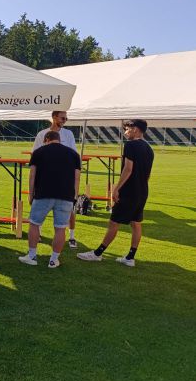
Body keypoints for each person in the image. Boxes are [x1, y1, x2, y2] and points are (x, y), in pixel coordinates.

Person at [77, 119, 154, 267]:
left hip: (129, 190)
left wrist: (117, 188)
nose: (125, 132)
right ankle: (130, 258)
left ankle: (97, 254)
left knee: (114, 222)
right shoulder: (149, 148)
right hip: (142, 190)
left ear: (135, 129)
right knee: (136, 223)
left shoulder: (130, 145)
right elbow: (148, 175)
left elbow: (128, 169)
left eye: (127, 129)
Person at [19, 130, 81, 268]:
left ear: (46, 139)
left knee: (34, 224)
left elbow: (32, 175)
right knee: (60, 228)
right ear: (59, 139)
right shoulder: (74, 154)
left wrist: (30, 194)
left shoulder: (38, 152)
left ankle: (32, 256)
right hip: (66, 196)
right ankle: (53, 260)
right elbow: (77, 177)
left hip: (43, 193)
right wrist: (75, 196)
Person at [32, 111, 80, 248]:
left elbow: (74, 155)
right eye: (62, 118)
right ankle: (38, 234)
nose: (65, 120)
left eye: (66, 118)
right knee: (39, 211)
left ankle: (71, 236)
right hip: (45, 178)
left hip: (65, 177)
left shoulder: (68, 134)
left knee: (70, 210)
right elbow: (35, 155)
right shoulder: (42, 134)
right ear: (54, 117)